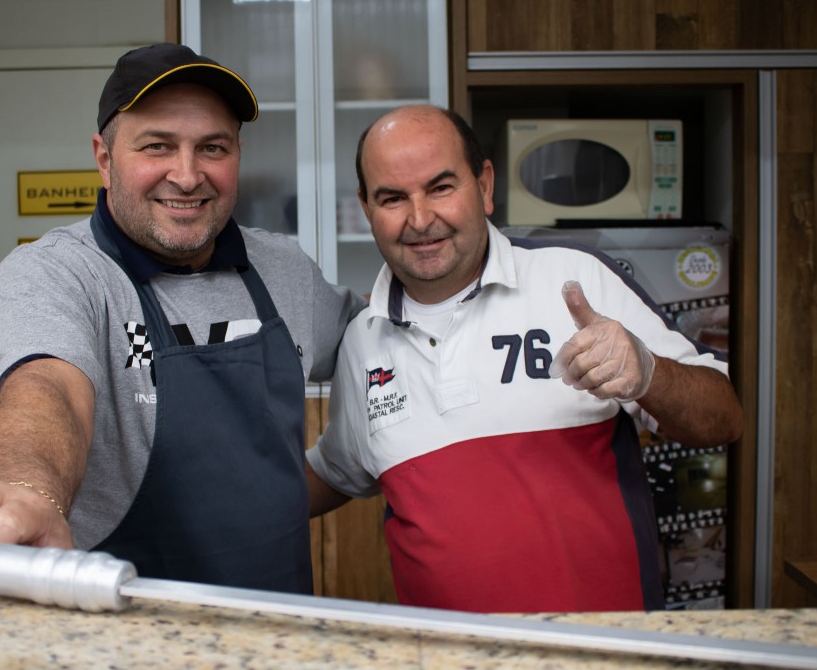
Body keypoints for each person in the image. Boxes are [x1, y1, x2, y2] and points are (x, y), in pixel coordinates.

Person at [0, 43, 364, 594]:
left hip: (279, 620)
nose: (187, 175)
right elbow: (49, 390)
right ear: (105, 160)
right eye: (157, 146)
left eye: (212, 148)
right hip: (124, 626)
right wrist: (28, 492)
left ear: (237, 155)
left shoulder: (285, 270)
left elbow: (383, 344)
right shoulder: (58, 274)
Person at [305, 105, 744, 613]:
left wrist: (649, 373)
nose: (420, 219)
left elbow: (723, 419)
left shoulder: (575, 278)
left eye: (441, 187)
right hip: (447, 649)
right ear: (367, 209)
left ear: (484, 185)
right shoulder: (362, 341)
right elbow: (337, 470)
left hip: (606, 644)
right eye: (393, 198)